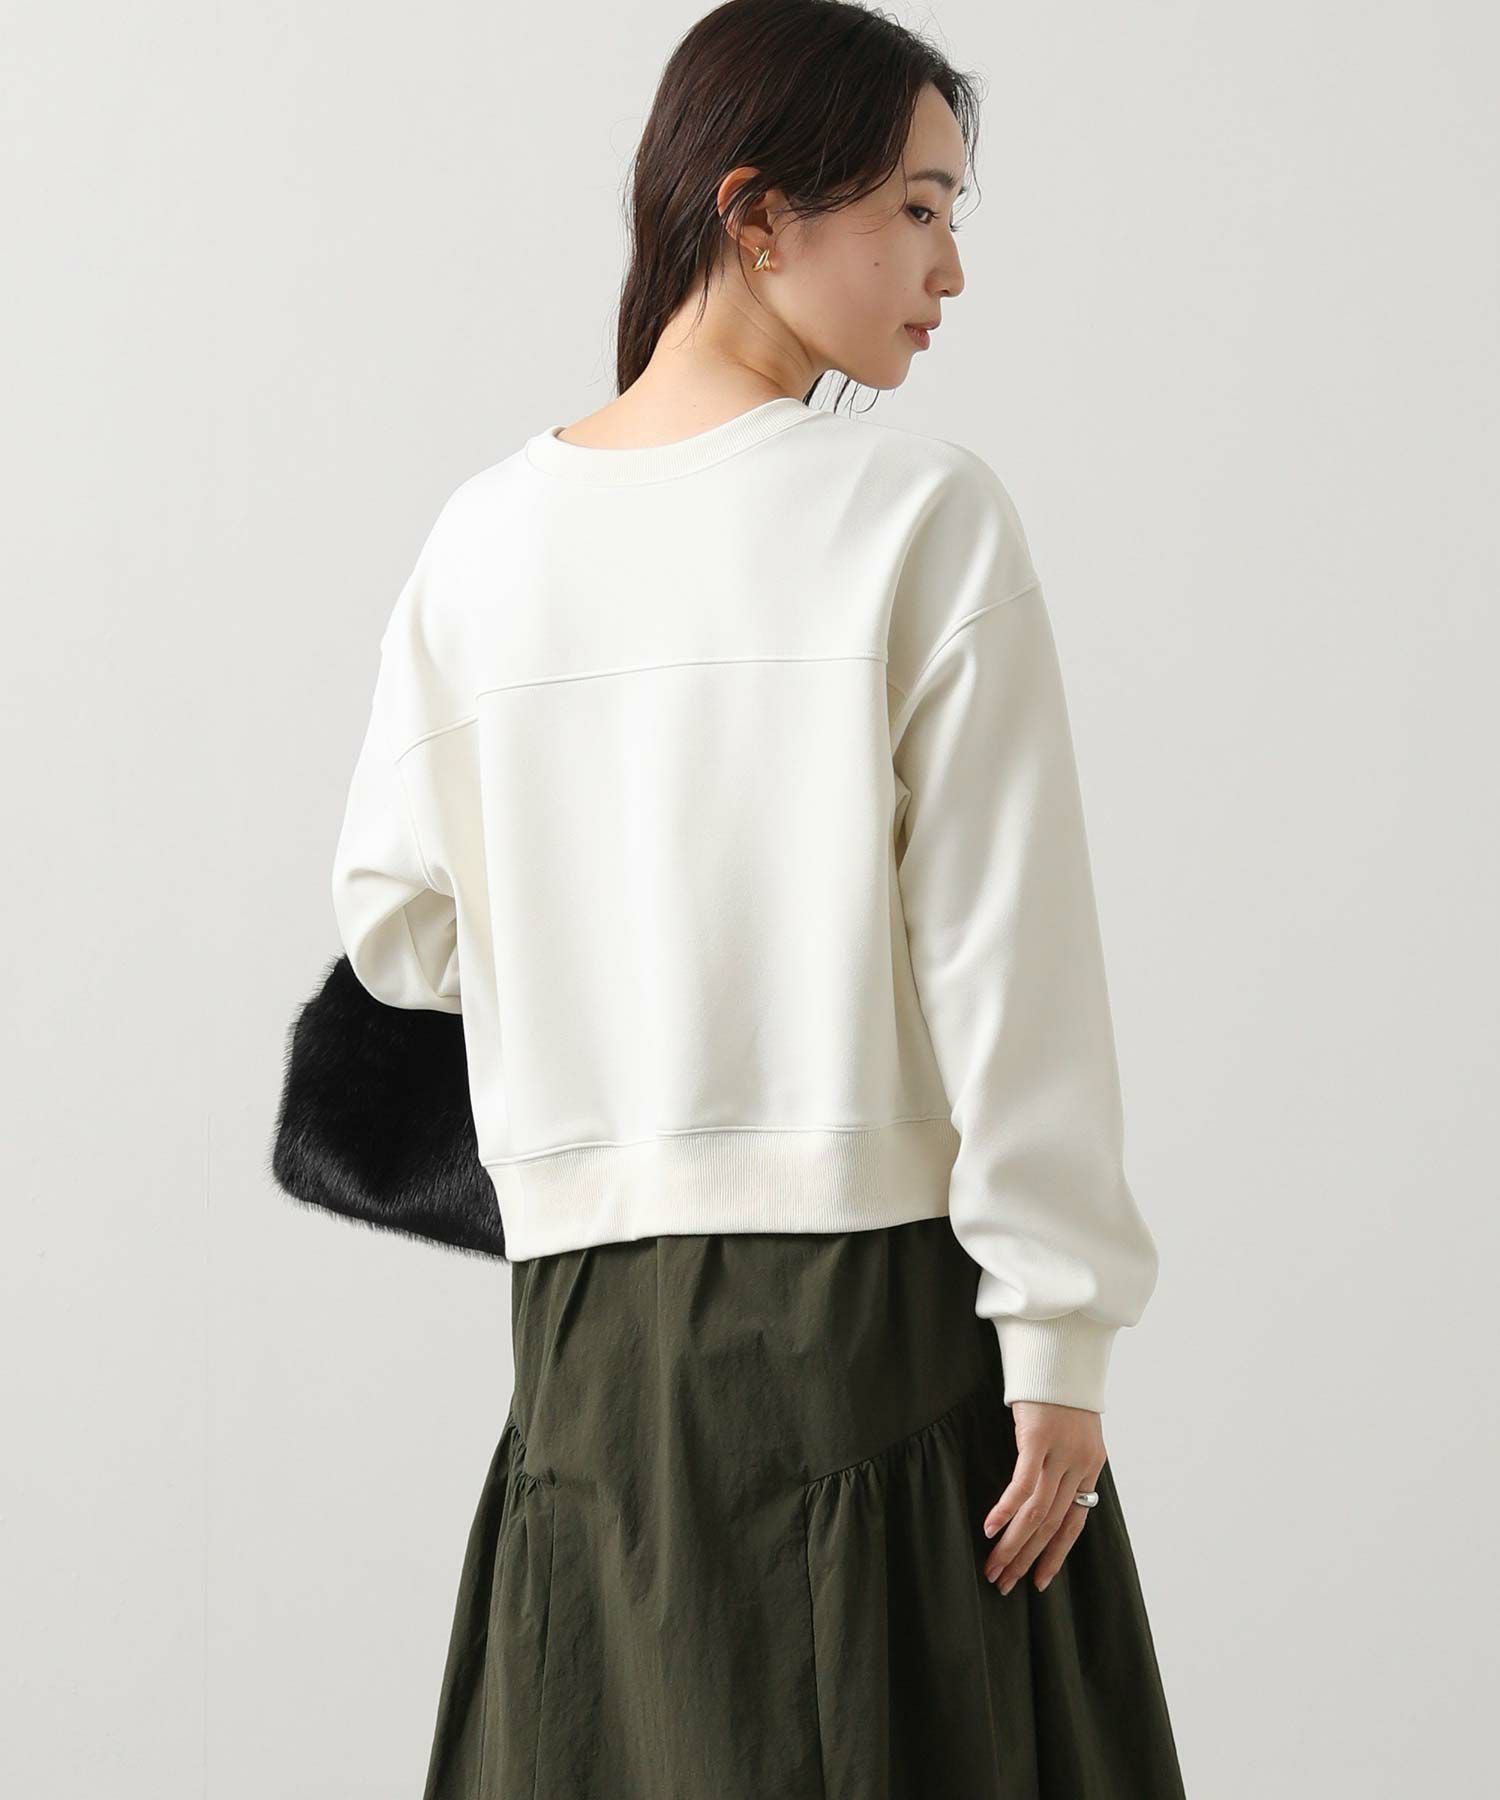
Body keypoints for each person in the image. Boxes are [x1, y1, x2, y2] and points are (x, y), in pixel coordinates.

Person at [327, 2, 1186, 1793]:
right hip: (872, 1328)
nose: (951, 269)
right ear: (756, 211)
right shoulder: (917, 515)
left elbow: (400, 925)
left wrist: (613, 975)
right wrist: (1060, 1332)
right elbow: (1007, 957)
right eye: (918, 209)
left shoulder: (484, 540)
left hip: (592, 1354)